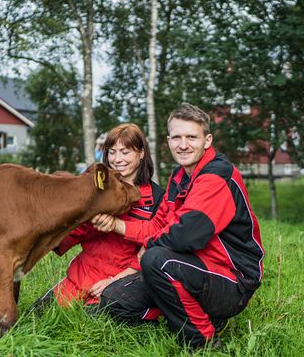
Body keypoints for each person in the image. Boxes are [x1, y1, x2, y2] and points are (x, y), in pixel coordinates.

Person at [92, 103, 265, 348]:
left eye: (191, 137)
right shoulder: (179, 175)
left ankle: (202, 340)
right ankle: (188, 315)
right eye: (177, 137)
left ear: (207, 140)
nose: (183, 144)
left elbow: (186, 237)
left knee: (156, 259)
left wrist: (147, 248)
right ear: (168, 140)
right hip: (191, 265)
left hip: (231, 279)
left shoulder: (217, 175)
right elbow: (158, 225)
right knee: (114, 299)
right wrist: (117, 228)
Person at [31, 123, 165, 310]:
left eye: (125, 152)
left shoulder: (158, 198)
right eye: (112, 152)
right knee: (34, 318)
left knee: (88, 325)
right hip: (83, 273)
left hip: (121, 281)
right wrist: (50, 234)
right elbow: (77, 231)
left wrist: (114, 281)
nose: (117, 159)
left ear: (141, 153)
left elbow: (153, 249)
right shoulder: (97, 190)